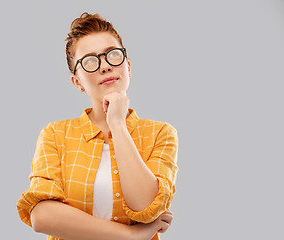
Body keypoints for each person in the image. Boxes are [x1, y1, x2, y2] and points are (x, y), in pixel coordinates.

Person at [16, 12, 179, 240]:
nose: (105, 67)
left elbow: (145, 206)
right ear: (77, 82)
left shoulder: (160, 133)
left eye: (113, 55)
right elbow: (42, 217)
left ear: (128, 66)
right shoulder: (55, 134)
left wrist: (117, 124)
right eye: (90, 61)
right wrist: (132, 235)